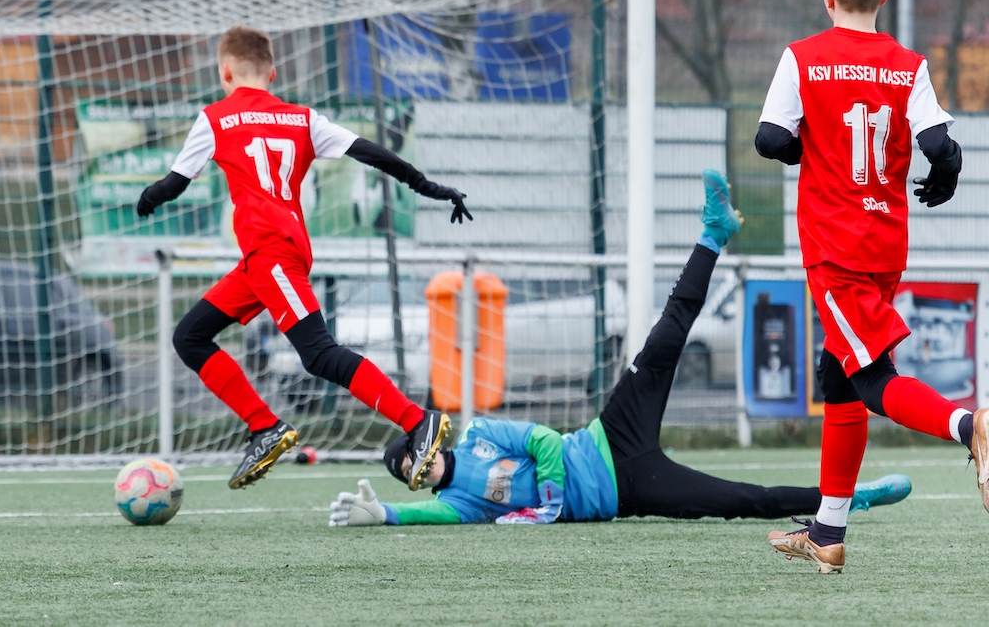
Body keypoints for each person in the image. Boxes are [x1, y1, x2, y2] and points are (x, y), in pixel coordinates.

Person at [327, 171, 913, 529]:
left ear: (429, 444)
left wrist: (549, 499)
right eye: (412, 474)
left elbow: (543, 441)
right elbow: (426, 517)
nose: (421, 469)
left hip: (608, 436)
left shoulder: (478, 432)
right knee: (740, 500)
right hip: (630, 490)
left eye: (416, 458)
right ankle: (850, 499)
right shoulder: (458, 502)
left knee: (664, 339)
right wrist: (383, 515)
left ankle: (713, 233)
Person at [136, 26, 464, 491]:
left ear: (225, 72)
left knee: (318, 353)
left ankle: (417, 420)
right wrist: (426, 186)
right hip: (267, 258)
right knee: (190, 337)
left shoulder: (215, 118)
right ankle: (264, 427)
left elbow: (173, 185)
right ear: (272, 73)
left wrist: (147, 198)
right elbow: (371, 152)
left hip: (271, 253)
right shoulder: (303, 119)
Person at [755, 0, 979, 573]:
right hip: (884, 245)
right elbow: (940, 145)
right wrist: (947, 174)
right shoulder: (909, 65)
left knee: (874, 378)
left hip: (836, 247)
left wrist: (810, 148)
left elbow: (770, 138)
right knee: (840, 376)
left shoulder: (803, 57)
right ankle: (828, 532)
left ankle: (970, 426)